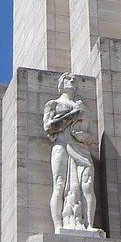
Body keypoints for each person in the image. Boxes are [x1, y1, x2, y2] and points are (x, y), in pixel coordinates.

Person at [42, 73, 97, 232]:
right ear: (61, 84)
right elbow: (49, 127)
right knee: (59, 185)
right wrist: (74, 114)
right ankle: (59, 225)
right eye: (67, 79)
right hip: (62, 146)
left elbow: (90, 134)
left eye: (74, 79)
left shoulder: (83, 107)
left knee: (87, 185)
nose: (72, 81)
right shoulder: (53, 104)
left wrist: (85, 137)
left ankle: (89, 225)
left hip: (81, 148)